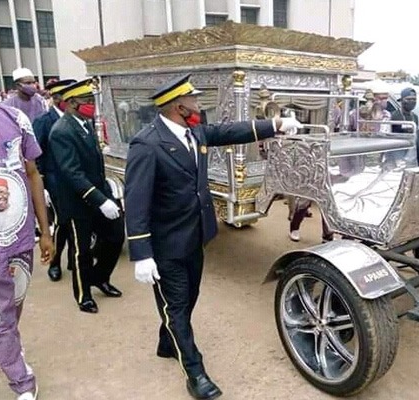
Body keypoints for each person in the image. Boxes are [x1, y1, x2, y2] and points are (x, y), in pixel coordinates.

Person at [124, 73, 302, 400]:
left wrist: (275, 125)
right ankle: (195, 372)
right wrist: (141, 253)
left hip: (196, 237)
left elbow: (227, 132)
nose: (198, 104)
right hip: (166, 246)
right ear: (179, 106)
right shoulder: (147, 144)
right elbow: (135, 202)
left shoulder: (195, 131)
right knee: (177, 307)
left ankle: (168, 342)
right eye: (193, 99)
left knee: (187, 299)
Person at [48, 78, 125, 314]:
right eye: (87, 101)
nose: (92, 105)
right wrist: (100, 200)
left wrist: (106, 194)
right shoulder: (61, 131)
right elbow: (72, 173)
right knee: (81, 251)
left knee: (114, 237)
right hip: (77, 202)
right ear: (71, 103)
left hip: (98, 194)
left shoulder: (85, 123)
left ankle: (100, 277)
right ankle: (84, 295)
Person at [0, 103, 54, 400]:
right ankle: (22, 382)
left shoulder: (15, 118)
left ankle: (3, 348)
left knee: (12, 307)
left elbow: (32, 173)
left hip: (19, 240)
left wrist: (45, 232)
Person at [32, 78, 77, 282]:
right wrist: (42, 183)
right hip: (55, 181)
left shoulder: (78, 118)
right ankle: (55, 261)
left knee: (78, 222)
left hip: (76, 179)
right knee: (63, 221)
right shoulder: (44, 121)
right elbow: (34, 154)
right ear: (59, 99)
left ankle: (73, 259)